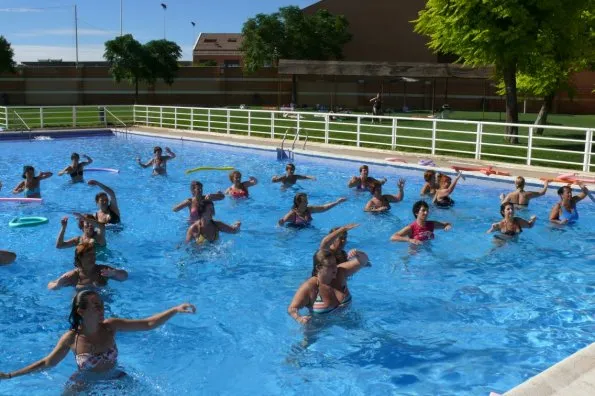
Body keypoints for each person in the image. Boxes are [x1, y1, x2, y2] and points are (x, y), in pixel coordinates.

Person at [0, 290, 195, 382]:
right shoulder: (71, 338)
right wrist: (10, 375)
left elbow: (148, 324)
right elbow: (47, 363)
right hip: (84, 384)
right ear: (81, 311)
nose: (102, 309)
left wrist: (175, 309)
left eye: (101, 304)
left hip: (116, 379)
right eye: (96, 306)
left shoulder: (110, 326)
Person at [287, 249, 369, 324]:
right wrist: (300, 319)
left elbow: (363, 261)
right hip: (319, 327)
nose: (335, 268)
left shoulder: (340, 272)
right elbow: (292, 308)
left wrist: (357, 252)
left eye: (335, 263)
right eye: (330, 265)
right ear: (319, 268)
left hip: (348, 320)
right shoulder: (310, 287)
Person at [47, 243, 128, 290]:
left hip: (104, 303)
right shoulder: (73, 275)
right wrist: (58, 284)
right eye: (88, 256)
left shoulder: (102, 270)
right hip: (83, 306)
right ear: (80, 259)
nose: (92, 258)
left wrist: (114, 273)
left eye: (93, 255)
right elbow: (50, 286)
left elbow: (125, 276)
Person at [278, 193, 347, 227]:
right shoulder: (292, 215)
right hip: (295, 232)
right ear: (298, 203)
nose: (307, 202)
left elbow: (323, 208)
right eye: (305, 201)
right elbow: (280, 225)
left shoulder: (309, 209)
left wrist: (337, 202)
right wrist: (280, 223)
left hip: (308, 229)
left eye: (307, 200)